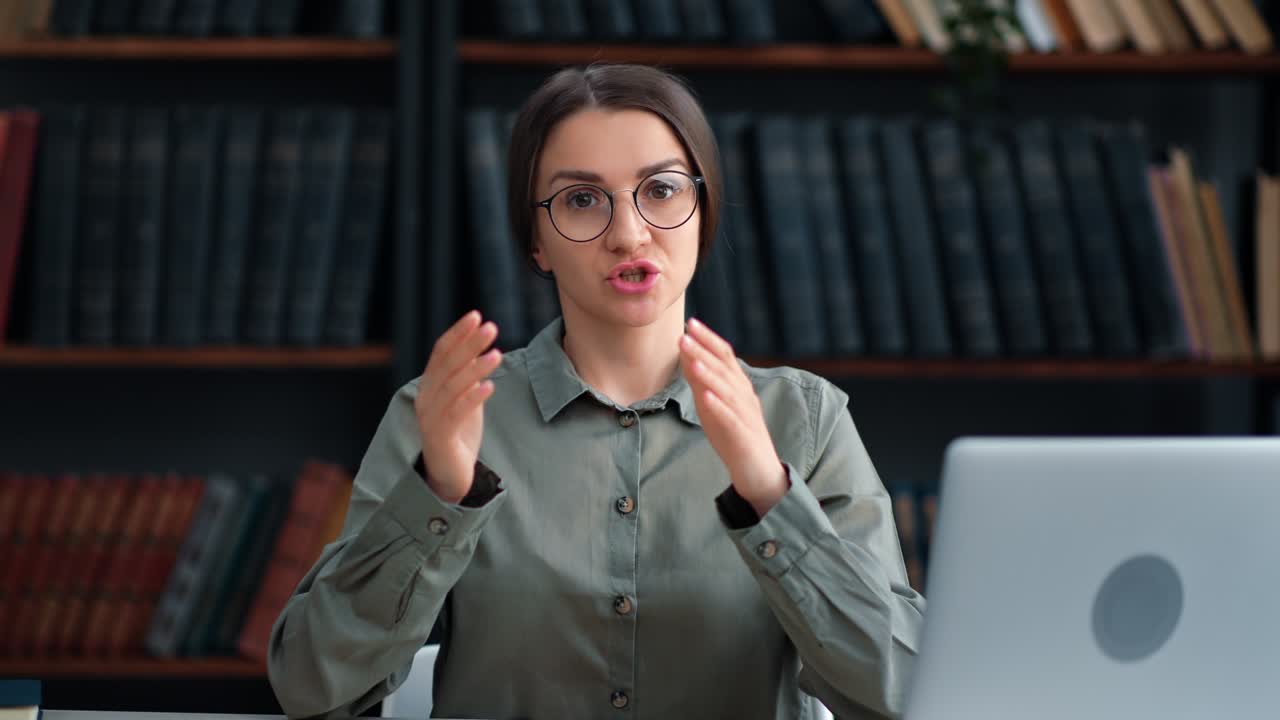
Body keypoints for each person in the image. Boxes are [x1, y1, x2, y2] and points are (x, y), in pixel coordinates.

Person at [267, 63, 925, 720]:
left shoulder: (805, 418)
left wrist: (769, 493)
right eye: (582, 199)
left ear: (704, 208)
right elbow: (310, 689)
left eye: (661, 190)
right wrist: (439, 492)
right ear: (535, 242)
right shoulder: (443, 412)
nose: (629, 233)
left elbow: (901, 695)